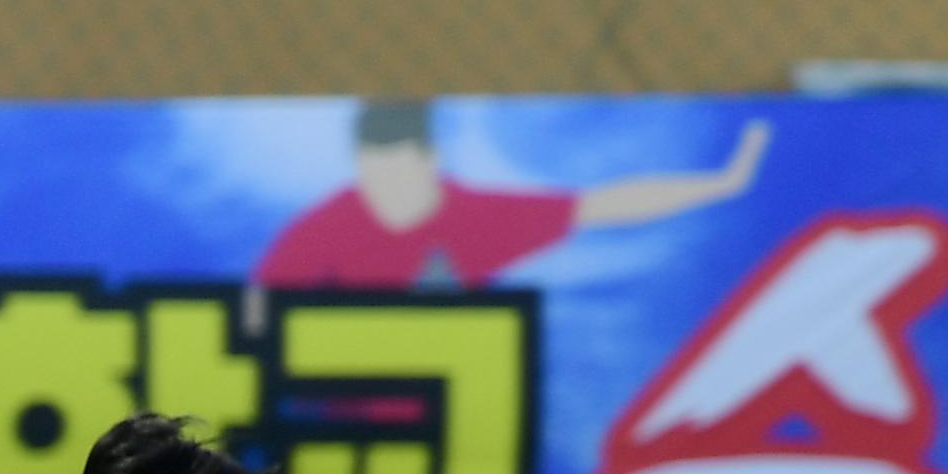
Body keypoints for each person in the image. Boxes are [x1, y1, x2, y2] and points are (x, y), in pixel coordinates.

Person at [255, 98, 769, 291]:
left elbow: (606, 204)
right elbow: (259, 305)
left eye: (399, 172)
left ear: (430, 161)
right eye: (374, 173)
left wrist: (722, 183)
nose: (386, 191)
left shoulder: (479, 218)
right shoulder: (323, 229)